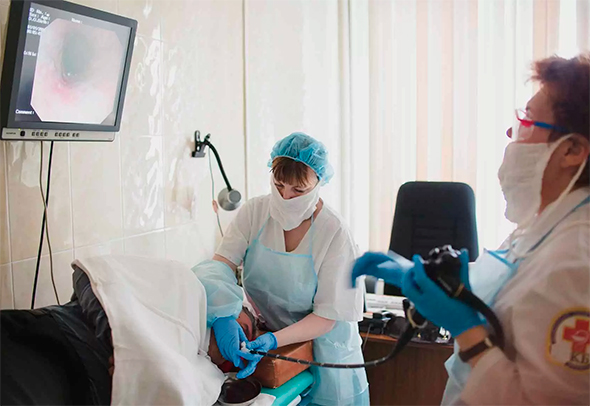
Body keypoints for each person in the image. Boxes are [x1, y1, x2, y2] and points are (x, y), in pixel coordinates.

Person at [352, 53, 590, 405]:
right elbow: (514, 293)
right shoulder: (545, 225)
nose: (511, 133)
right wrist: (421, 278)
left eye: (527, 121)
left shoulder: (576, 262)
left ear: (572, 150)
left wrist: (466, 330)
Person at [193, 132, 369, 406]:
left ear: (319, 182)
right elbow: (220, 264)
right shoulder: (254, 212)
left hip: (328, 352)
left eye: (298, 191)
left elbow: (327, 317)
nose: (286, 196)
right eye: (279, 185)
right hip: (277, 345)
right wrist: (222, 315)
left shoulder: (334, 233)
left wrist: (273, 341)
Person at [0, 261, 257, 406]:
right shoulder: (185, 289)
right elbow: (91, 277)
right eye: (242, 329)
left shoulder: (205, 377)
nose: (240, 343)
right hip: (47, 345)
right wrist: (119, 341)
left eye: (245, 346)